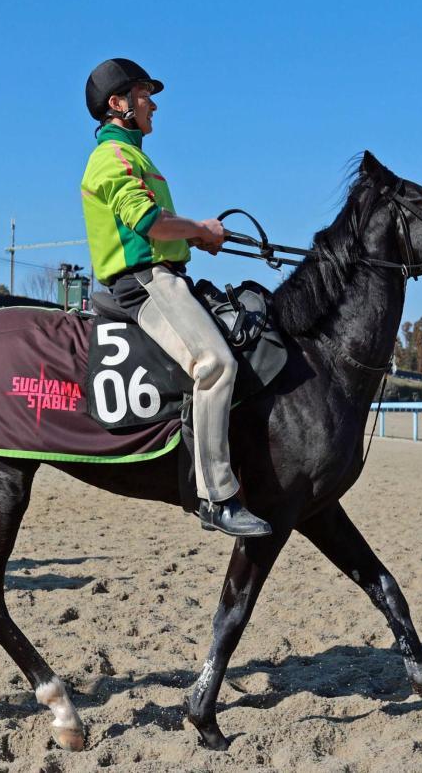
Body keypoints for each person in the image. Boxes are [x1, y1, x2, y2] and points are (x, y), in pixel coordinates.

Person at [81, 58, 271, 538]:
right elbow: (149, 224)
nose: (153, 103)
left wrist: (197, 239)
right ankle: (217, 497)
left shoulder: (136, 156)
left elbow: (161, 231)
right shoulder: (113, 159)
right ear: (117, 104)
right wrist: (200, 229)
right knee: (214, 364)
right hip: (145, 283)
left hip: (167, 273)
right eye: (145, 94)